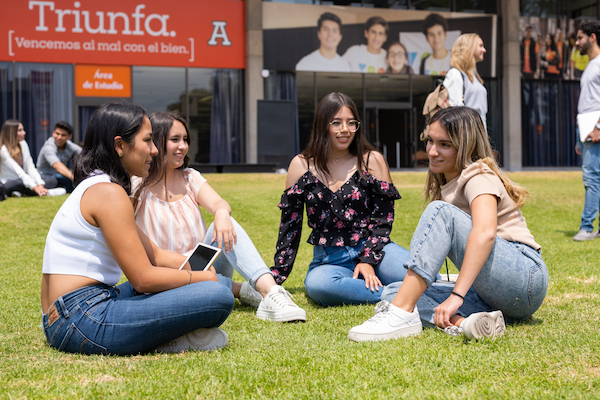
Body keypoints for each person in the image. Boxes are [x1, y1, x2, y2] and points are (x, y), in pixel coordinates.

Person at [41, 102, 234, 355]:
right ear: (120, 146)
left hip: (68, 314)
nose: (155, 150)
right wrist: (200, 279)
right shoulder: (108, 193)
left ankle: (158, 334)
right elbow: (143, 278)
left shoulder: (99, 184)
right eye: (148, 141)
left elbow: (155, 255)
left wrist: (196, 268)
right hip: (81, 318)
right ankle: (162, 339)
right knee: (218, 296)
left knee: (212, 283)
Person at [348, 106, 549, 342]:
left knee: (440, 212)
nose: (432, 151)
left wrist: (457, 294)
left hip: (524, 278)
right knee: (396, 291)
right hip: (495, 295)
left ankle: (400, 315)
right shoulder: (450, 182)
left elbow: (485, 233)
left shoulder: (478, 175)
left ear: (466, 147)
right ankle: (465, 324)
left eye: (445, 144)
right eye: (430, 141)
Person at [132, 112, 306, 322]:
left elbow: (219, 203)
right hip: (166, 276)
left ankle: (270, 292)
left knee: (226, 222)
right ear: (156, 142)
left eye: (185, 140)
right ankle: (241, 290)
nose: (183, 146)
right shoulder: (137, 186)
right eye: (175, 139)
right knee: (212, 280)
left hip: (202, 265)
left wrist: (222, 214)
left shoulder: (190, 178)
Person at [271, 92, 410, 307]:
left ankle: (406, 289)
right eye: (336, 123)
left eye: (351, 123)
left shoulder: (372, 160)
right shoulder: (301, 165)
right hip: (329, 260)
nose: (345, 129)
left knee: (422, 275)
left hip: (376, 250)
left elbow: (383, 220)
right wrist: (276, 277)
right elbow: (290, 227)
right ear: (322, 125)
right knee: (319, 286)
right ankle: (401, 296)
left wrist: (367, 260)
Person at [573, 21, 600, 241]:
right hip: (585, 127)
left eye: (580, 37)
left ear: (592, 37)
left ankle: (587, 227)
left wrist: (598, 127)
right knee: (595, 177)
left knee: (591, 178)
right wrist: (579, 134)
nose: (577, 42)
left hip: (595, 127)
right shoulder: (590, 65)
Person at [443, 33, 488, 131]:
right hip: (468, 135)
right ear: (469, 48)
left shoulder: (473, 76)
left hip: (478, 134)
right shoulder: (455, 74)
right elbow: (456, 111)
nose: (484, 50)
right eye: (480, 46)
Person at [0, 120, 53, 197]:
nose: (24, 133)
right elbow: (19, 172)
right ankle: (48, 192)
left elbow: (30, 167)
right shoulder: (3, 150)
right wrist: (36, 188)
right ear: (11, 133)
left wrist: (40, 184)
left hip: (25, 180)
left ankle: (19, 193)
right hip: (11, 182)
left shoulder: (23, 144)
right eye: (20, 130)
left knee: (52, 180)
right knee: (19, 183)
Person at [37, 121, 82, 193]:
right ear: (53, 133)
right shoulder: (48, 147)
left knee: (68, 182)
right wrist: (74, 178)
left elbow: (84, 154)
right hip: (45, 178)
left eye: (63, 135)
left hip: (60, 177)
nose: (59, 137)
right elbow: (57, 165)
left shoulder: (70, 146)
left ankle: (60, 190)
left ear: (69, 137)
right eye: (57, 134)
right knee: (58, 180)